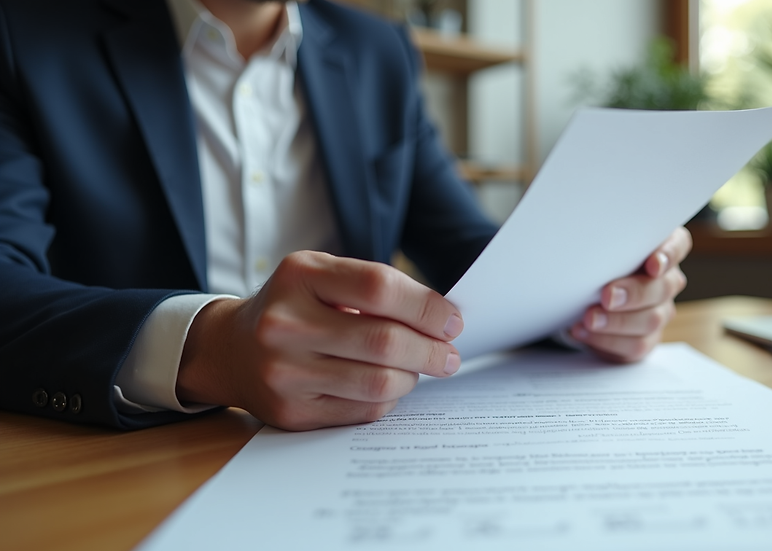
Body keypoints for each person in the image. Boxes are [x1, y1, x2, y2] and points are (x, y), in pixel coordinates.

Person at [0, 0, 691, 431]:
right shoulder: (26, 30)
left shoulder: (377, 52)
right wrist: (208, 348)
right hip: (139, 462)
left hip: (360, 440)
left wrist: (594, 295)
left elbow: (466, 247)